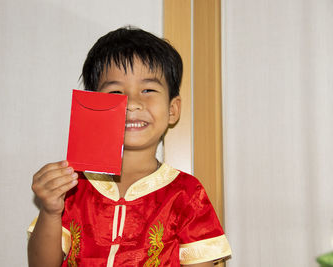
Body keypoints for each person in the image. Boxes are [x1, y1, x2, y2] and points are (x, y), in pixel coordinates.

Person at [28, 26, 231, 267]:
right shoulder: (72, 187)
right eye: (115, 91)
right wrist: (50, 211)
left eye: (148, 90)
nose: (133, 103)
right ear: (95, 106)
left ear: (172, 110)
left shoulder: (187, 194)